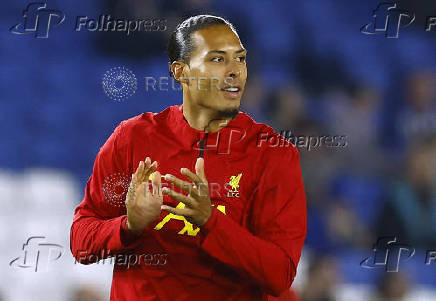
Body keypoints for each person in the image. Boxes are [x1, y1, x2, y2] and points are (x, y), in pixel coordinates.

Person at [70, 14, 307, 301]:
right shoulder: (131, 139)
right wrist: (129, 226)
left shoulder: (273, 154)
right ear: (180, 71)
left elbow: (279, 273)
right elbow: (81, 242)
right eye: (218, 60)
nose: (235, 71)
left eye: (241, 59)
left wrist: (210, 221)